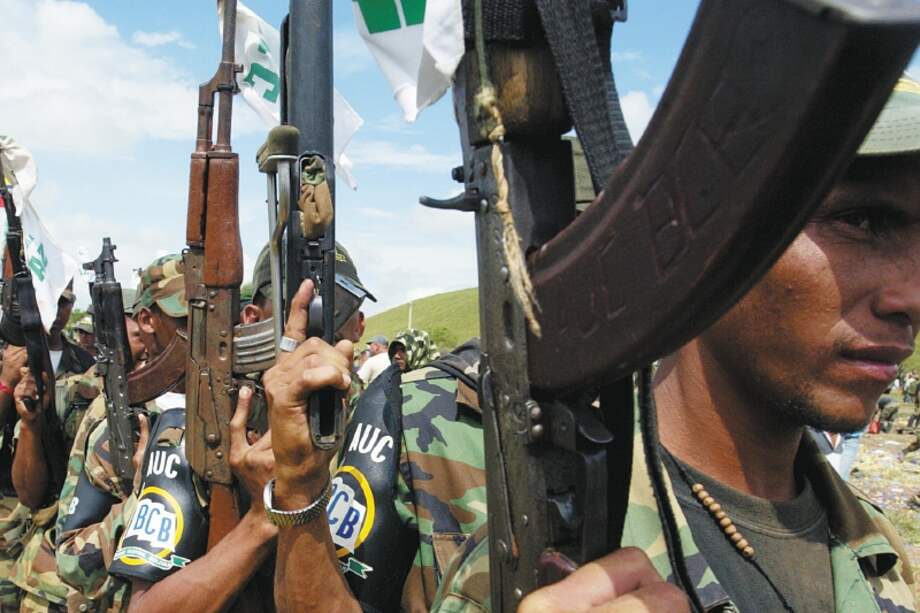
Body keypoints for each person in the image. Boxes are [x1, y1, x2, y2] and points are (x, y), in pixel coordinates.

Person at [266, 74, 920, 612]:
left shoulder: (886, 560)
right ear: (711, 234)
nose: (910, 294)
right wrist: (298, 493)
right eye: (862, 221)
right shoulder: (461, 452)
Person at [104, 244, 373, 613]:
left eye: (337, 310)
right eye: (301, 307)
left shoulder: (383, 424)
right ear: (252, 317)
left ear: (359, 326)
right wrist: (263, 518)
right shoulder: (209, 427)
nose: (317, 327)